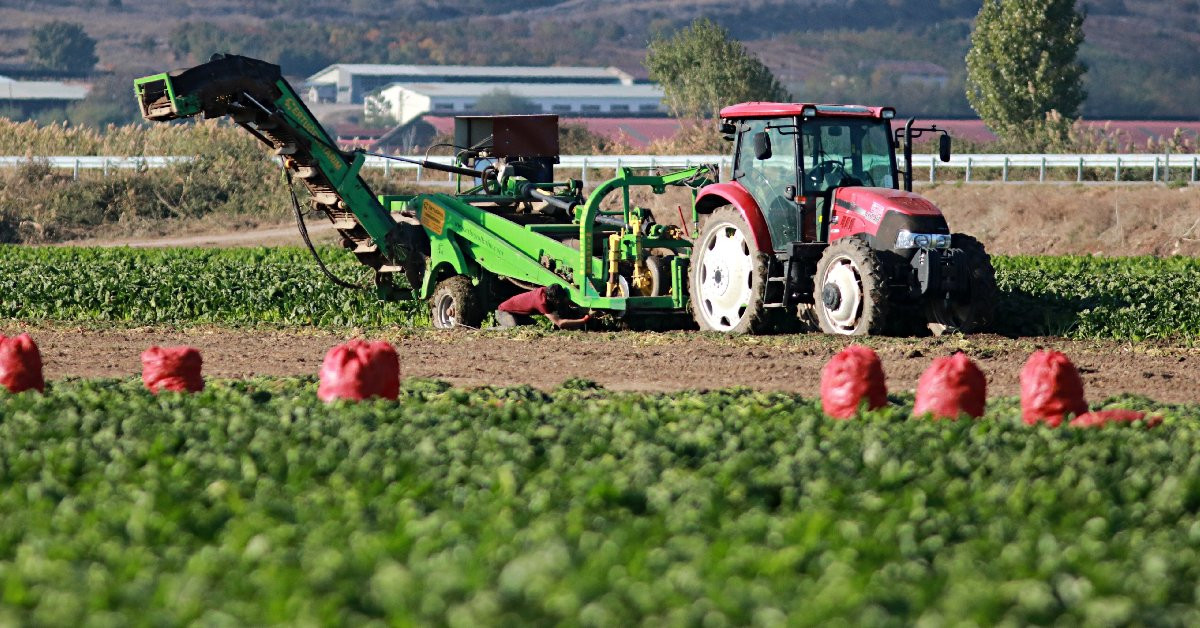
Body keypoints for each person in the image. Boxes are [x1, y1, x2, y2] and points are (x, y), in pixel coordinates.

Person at [495, 284, 591, 329]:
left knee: (533, 326)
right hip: (503, 313)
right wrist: (583, 320)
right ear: (551, 299)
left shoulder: (548, 291)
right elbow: (559, 323)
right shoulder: (541, 302)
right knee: (512, 327)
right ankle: (487, 330)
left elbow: (565, 302)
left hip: (519, 315)